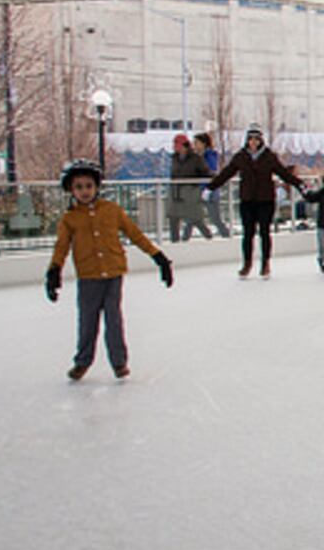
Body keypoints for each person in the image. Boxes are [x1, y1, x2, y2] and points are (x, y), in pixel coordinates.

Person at [45, 159, 174, 381]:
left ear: (96, 187)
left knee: (114, 320)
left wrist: (159, 257)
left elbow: (135, 235)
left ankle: (119, 362)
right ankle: (82, 361)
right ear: (71, 190)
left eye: (88, 186)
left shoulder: (112, 211)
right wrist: (54, 270)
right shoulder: (70, 218)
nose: (84, 191)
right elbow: (61, 247)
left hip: (113, 274)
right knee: (88, 322)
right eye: (78, 187)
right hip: (88, 276)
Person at [207, 126, 306, 278]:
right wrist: (211, 187)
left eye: (256, 139)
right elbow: (227, 173)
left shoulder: (269, 157)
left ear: (260, 141)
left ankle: (265, 263)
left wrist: (299, 184)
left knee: (265, 233)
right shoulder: (241, 157)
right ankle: (247, 263)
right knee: (248, 233)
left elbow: (283, 174)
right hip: (247, 200)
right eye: (250, 139)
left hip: (265, 200)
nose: (253, 142)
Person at [167, 134, 212, 242]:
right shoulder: (175, 158)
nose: (174, 147)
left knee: (195, 218)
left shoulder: (196, 159)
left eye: (176, 144)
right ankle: (175, 242)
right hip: (177, 192)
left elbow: (205, 172)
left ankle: (209, 237)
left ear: (184, 145)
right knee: (173, 217)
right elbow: (173, 175)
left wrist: (213, 178)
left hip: (190, 193)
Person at [193, 132, 231, 238]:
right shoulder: (198, 157)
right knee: (193, 216)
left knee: (215, 217)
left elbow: (211, 171)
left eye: (196, 143)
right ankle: (186, 238)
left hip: (209, 191)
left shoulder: (209, 155)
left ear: (203, 144)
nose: (194, 145)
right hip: (200, 190)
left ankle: (225, 235)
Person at [301, 172, 324, 273]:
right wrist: (304, 190)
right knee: (323, 245)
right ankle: (323, 261)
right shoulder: (322, 193)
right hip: (323, 223)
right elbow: (310, 198)